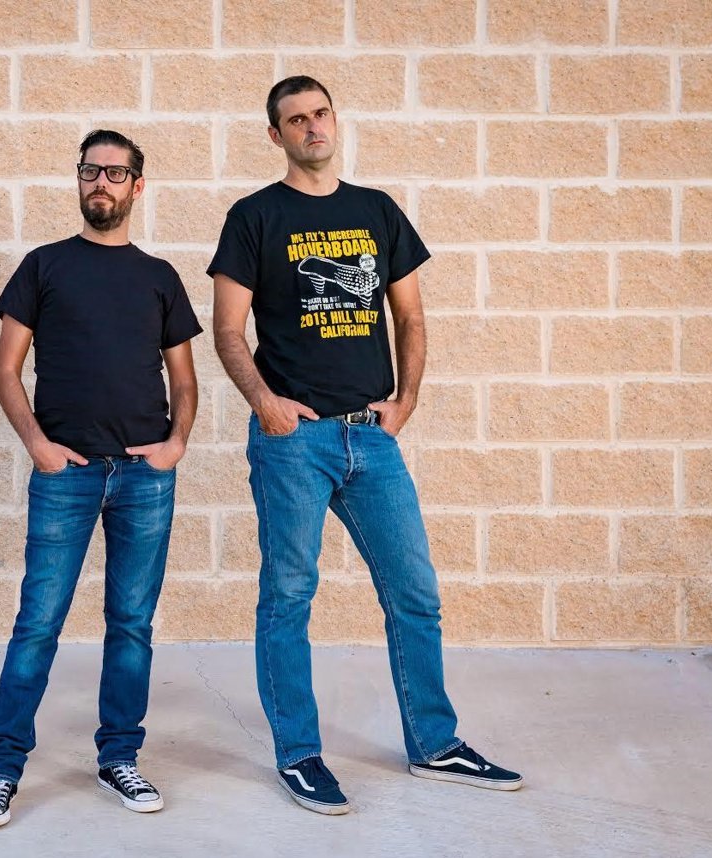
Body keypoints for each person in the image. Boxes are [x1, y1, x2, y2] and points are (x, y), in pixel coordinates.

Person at [208, 77, 523, 815]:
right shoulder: (254, 216)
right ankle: (299, 755)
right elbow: (227, 329)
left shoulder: (376, 209)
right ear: (276, 135)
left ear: (335, 121)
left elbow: (409, 317)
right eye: (296, 120)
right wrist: (265, 404)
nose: (312, 127)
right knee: (289, 595)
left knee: (415, 591)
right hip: (294, 441)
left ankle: (435, 743)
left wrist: (405, 402)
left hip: (370, 437)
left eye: (320, 114)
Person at [0, 130, 202, 828]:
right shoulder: (43, 266)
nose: (101, 182)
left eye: (115, 173)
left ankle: (119, 758)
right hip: (64, 475)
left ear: (138, 186)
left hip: (144, 478)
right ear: (78, 180)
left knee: (131, 624)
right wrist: (37, 444)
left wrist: (176, 443)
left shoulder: (160, 276)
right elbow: (4, 370)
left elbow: (185, 378)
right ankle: (2, 769)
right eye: (90, 171)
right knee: (38, 622)